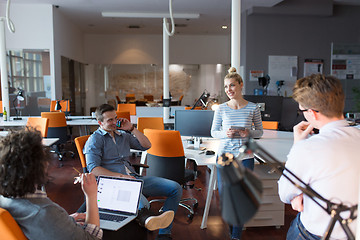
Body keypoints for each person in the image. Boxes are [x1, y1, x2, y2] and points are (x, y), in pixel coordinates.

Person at [278, 74, 360, 240]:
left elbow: (285, 193)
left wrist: (297, 145)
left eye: (302, 111)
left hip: (316, 234)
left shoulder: (308, 149)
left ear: (312, 113)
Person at [84, 103, 182, 240]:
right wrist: (121, 176)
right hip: (114, 183)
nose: (114, 122)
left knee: (175, 188)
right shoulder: (95, 140)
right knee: (144, 205)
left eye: (115, 118)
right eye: (110, 120)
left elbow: (147, 145)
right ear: (100, 122)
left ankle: (164, 233)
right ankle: (148, 219)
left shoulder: (123, 135)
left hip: (134, 178)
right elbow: (93, 169)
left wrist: (132, 128)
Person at [0, 128, 103, 240]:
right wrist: (91, 196)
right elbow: (93, 238)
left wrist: (65, 221)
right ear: (41, 166)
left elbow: (40, 225)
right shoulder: (43, 211)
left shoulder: (5, 200)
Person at [211, 67, 263, 240]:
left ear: (241, 85)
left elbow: (260, 132)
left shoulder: (253, 108)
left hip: (245, 157)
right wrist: (224, 134)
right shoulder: (222, 108)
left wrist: (247, 133)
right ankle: (233, 229)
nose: (229, 90)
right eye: (226, 87)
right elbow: (213, 132)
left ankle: (236, 236)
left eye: (232, 86)